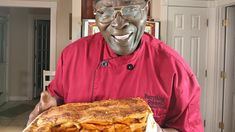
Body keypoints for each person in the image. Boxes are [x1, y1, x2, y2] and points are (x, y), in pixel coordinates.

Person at [27, 0, 204, 131]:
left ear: (146, 9)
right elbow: (57, 97)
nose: (119, 23)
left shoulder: (175, 69)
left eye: (131, 9)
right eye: (105, 11)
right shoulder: (72, 55)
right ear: (95, 13)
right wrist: (45, 112)